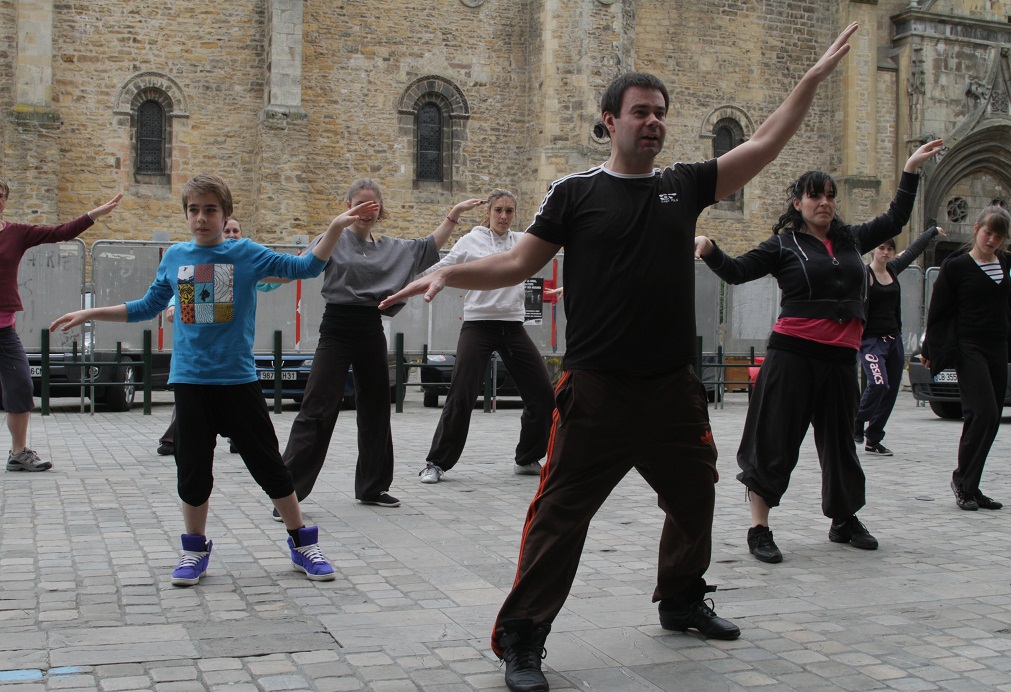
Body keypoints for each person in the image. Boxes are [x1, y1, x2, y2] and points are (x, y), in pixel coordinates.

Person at [380, 23, 863, 692]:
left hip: (670, 389)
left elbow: (766, 141)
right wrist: (446, 276)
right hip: (596, 390)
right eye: (639, 112)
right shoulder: (575, 194)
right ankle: (522, 637)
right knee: (558, 516)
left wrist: (809, 81)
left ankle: (681, 598)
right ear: (609, 121)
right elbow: (518, 262)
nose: (653, 122)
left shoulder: (685, 185)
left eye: (660, 113)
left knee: (695, 494)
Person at [51, 174, 379, 586]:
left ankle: (302, 542)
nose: (201, 217)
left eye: (210, 210)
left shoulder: (245, 254)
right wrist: (89, 313)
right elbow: (146, 306)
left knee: (270, 466)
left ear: (225, 215)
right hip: (190, 381)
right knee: (192, 470)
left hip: (237, 380)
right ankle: (194, 549)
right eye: (194, 209)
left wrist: (334, 228)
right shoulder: (175, 257)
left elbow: (306, 268)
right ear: (186, 213)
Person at [695, 139, 941, 566]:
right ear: (798, 202)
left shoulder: (851, 241)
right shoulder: (783, 245)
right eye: (815, 195)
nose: (824, 202)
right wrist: (711, 249)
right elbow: (736, 272)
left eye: (829, 196)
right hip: (792, 356)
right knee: (775, 439)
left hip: (839, 359)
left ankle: (844, 519)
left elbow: (897, 217)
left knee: (841, 443)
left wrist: (911, 170)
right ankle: (760, 527)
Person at [275, 179, 483, 516]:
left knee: (375, 408)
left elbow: (427, 246)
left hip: (371, 327)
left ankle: (372, 487)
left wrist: (454, 214)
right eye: (359, 204)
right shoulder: (334, 239)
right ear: (348, 207)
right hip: (337, 328)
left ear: (380, 209)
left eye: (373, 205)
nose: (366, 212)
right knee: (317, 407)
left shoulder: (391, 248)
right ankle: (288, 492)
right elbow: (299, 267)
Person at [417, 189, 555, 484]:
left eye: (509, 211)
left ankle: (527, 457)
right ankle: (436, 463)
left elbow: (525, 277)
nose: (504, 216)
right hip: (478, 325)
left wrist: (546, 294)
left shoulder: (521, 242)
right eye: (499, 211)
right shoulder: (472, 240)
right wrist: (412, 278)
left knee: (543, 395)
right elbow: (443, 268)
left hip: (512, 326)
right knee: (461, 395)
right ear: (488, 213)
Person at [0, 180, 122, 472]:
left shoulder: (15, 233)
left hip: (4, 330)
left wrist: (94, 215)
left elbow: (58, 232)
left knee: (21, 386)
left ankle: (19, 453)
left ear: (4, 200)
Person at [921, 205, 1010, 512]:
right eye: (988, 232)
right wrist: (930, 350)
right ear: (976, 229)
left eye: (998, 236)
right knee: (981, 412)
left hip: (997, 347)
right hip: (968, 347)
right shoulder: (956, 267)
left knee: (993, 418)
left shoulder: (1005, 264)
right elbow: (939, 311)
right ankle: (961, 481)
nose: (992, 240)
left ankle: (972, 485)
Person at [157, 216, 244, 456]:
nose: (232, 234)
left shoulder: (243, 260)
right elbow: (186, 287)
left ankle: (239, 438)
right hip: (196, 357)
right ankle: (172, 439)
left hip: (229, 354)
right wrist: (173, 305)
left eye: (236, 230)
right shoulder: (196, 258)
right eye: (228, 230)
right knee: (193, 400)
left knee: (234, 399)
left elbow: (269, 281)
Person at [854, 225, 943, 456]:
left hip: (893, 341)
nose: (885, 252)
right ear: (873, 250)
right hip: (871, 341)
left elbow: (913, 251)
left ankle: (874, 438)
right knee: (878, 383)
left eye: (889, 248)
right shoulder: (864, 275)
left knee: (890, 391)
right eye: (881, 247)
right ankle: (857, 420)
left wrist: (931, 232)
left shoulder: (893, 269)